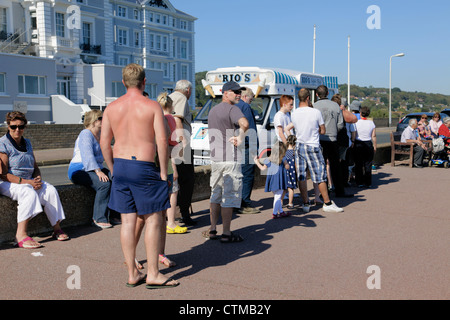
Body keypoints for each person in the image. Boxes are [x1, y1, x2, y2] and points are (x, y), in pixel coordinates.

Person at [100, 63, 178, 289]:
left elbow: (105, 143)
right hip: (143, 166)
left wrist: (113, 169)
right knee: (153, 218)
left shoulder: (111, 108)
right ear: (144, 82)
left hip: (121, 166)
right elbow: (162, 141)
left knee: (127, 220)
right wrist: (163, 171)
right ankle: (153, 273)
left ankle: (133, 273)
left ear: (123, 83)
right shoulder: (152, 106)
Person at [0, 111, 69, 249]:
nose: (17, 130)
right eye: (13, 127)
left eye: (20, 126)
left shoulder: (27, 143)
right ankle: (20, 235)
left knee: (50, 190)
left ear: (25, 127)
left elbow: (35, 166)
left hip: (29, 181)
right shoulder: (3, 143)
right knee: (28, 192)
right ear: (8, 126)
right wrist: (28, 183)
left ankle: (56, 228)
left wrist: (37, 178)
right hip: (9, 182)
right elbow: (3, 174)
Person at [203, 81, 249, 243]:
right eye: (235, 92)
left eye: (239, 92)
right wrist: (239, 137)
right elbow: (245, 123)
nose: (238, 94)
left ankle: (213, 228)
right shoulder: (233, 109)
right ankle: (227, 233)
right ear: (225, 93)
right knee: (229, 196)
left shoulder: (213, 110)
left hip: (216, 158)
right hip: (230, 158)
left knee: (215, 194)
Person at [284, 88, 343, 213]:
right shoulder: (315, 112)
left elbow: (290, 128)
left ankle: (306, 203)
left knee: (302, 175)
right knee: (320, 175)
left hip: (299, 145)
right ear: (308, 98)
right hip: (313, 145)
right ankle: (327, 203)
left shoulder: (294, 113)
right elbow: (323, 130)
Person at [68, 110, 114, 229]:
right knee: (104, 184)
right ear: (93, 121)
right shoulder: (86, 134)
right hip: (79, 169)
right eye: (100, 118)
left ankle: (113, 215)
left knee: (116, 179)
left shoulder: (99, 135)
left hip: (93, 168)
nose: (103, 120)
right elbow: (87, 155)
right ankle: (98, 218)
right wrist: (98, 171)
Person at [313, 85, 352, 198]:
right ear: (327, 93)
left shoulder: (314, 106)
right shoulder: (335, 106)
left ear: (316, 94)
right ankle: (340, 191)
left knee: (321, 167)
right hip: (333, 139)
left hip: (319, 140)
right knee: (335, 166)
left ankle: (324, 192)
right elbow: (340, 125)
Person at [169, 80, 196, 226]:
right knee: (187, 180)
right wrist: (183, 142)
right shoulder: (181, 98)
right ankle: (183, 213)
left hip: (170, 145)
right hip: (179, 145)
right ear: (187, 90)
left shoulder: (170, 97)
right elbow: (177, 119)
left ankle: (175, 212)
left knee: (174, 180)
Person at [235, 87, 260, 214]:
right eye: (250, 99)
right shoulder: (245, 107)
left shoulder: (232, 106)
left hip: (234, 145)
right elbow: (250, 130)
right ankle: (245, 203)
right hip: (245, 146)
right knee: (247, 175)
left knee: (236, 176)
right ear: (245, 97)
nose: (251, 101)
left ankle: (235, 202)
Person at [254, 141, 290, 219]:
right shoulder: (283, 158)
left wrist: (257, 162)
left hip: (272, 181)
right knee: (278, 198)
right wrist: (287, 164)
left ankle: (281, 211)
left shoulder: (268, 160)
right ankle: (274, 213)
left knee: (277, 196)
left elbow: (262, 168)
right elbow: (287, 167)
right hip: (280, 180)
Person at [353, 106, 377, 188]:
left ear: (360, 113)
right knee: (368, 164)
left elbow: (354, 134)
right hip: (368, 143)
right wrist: (375, 146)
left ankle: (359, 182)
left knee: (358, 164)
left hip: (358, 143)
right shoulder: (371, 123)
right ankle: (368, 182)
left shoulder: (357, 123)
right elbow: (373, 136)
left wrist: (353, 142)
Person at [284, 135, 297, 209]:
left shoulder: (284, 152)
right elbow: (295, 164)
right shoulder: (294, 152)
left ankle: (281, 202)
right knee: (290, 188)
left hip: (284, 172)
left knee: (283, 188)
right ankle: (290, 203)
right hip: (292, 172)